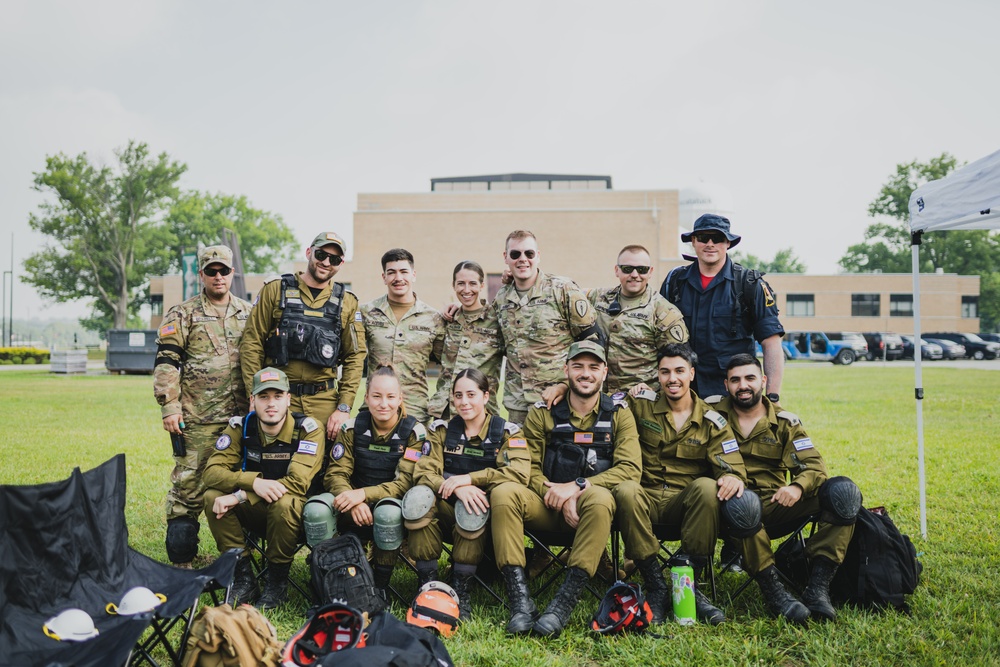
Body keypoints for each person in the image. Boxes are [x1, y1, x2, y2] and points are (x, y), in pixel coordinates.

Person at [490, 340, 641, 637]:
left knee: (598, 497)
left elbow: (629, 469)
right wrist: (554, 493)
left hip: (591, 512)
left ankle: (563, 603)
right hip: (545, 505)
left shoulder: (619, 414)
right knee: (503, 492)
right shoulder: (543, 412)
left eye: (593, 367)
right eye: (578, 367)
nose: (586, 373)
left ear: (605, 372)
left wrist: (576, 488)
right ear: (566, 370)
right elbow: (526, 465)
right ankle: (521, 602)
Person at [710, 353, 860, 623]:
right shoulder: (711, 416)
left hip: (777, 506)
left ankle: (817, 588)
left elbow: (814, 466)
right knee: (742, 505)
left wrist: (798, 488)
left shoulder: (785, 422)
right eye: (735, 380)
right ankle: (774, 590)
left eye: (750, 378)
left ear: (764, 381)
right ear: (726, 385)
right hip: (728, 510)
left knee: (843, 493)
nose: (743, 385)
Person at [614, 343, 747, 625]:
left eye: (679, 371)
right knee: (625, 489)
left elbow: (732, 463)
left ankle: (691, 584)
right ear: (657, 376)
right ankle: (656, 585)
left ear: (691, 374)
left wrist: (732, 475)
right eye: (665, 372)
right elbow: (598, 400)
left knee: (706, 486)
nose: (672, 378)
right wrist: (562, 388)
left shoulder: (712, 420)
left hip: (684, 505)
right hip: (643, 499)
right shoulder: (640, 405)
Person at [154, 244, 251, 568]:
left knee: (241, 483)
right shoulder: (183, 314)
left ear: (232, 273)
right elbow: (167, 361)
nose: (218, 276)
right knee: (188, 489)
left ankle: (240, 558)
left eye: (224, 270)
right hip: (198, 420)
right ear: (202, 275)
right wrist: (170, 406)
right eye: (212, 271)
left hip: (242, 421)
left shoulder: (247, 313)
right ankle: (182, 561)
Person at [408, 368, 530, 622]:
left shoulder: (507, 432)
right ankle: (426, 584)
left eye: (471, 395)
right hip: (446, 512)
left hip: (489, 520)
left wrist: (474, 480)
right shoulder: (441, 431)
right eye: (458, 395)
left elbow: (518, 474)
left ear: (486, 396)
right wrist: (458, 486)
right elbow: (423, 472)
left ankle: (462, 588)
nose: (464, 402)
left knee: (472, 507)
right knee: (420, 496)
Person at [203, 367, 326, 609]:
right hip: (258, 514)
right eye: (263, 397)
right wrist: (254, 482)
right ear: (253, 400)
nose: (271, 404)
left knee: (284, 502)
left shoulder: (308, 430)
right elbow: (211, 473)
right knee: (212, 497)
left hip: (295, 516)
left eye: (278, 396)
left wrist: (241, 494)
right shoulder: (241, 427)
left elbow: (298, 483)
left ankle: (276, 584)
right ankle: (244, 576)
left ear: (288, 399)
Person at [240, 232, 365, 442]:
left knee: (324, 465)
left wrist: (344, 407)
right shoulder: (275, 290)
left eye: (334, 259)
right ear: (309, 252)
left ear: (340, 264)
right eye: (321, 254)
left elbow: (355, 356)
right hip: (276, 396)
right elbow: (252, 343)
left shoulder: (347, 302)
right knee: (274, 459)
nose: (326, 262)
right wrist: (255, 394)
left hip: (323, 399)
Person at [319, 364, 430, 601]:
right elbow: (335, 474)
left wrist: (363, 495)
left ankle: (380, 586)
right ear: (366, 397)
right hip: (352, 506)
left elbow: (404, 483)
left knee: (388, 513)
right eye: (377, 396)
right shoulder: (351, 429)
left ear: (400, 398)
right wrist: (354, 500)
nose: (384, 404)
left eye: (391, 397)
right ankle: (325, 578)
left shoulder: (414, 433)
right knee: (316, 509)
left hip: (391, 508)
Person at [658, 214, 785, 401]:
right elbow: (658, 338)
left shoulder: (749, 284)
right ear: (693, 241)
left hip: (732, 394)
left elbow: (771, 341)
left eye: (717, 238)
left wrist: (772, 397)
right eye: (703, 238)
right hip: (684, 394)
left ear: (727, 243)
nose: (710, 244)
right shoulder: (675, 281)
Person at [492, 230, 601, 426]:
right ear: (505, 257)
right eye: (515, 254)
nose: (522, 259)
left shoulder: (562, 290)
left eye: (529, 254)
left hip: (559, 400)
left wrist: (565, 385)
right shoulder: (501, 298)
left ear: (538, 256)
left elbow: (592, 343)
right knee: (520, 455)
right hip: (518, 406)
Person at [360, 248, 446, 424]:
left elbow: (449, 365)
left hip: (415, 411)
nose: (398, 278)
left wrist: (439, 403)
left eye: (403, 272)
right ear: (384, 277)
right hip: (376, 410)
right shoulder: (366, 313)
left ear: (413, 275)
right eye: (391, 272)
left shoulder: (433, 318)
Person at [427, 261, 503, 419]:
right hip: (445, 412)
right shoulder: (447, 319)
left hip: (482, 413)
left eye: (473, 284)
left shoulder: (496, 320)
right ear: (453, 285)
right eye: (461, 283)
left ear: (482, 285)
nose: (466, 290)